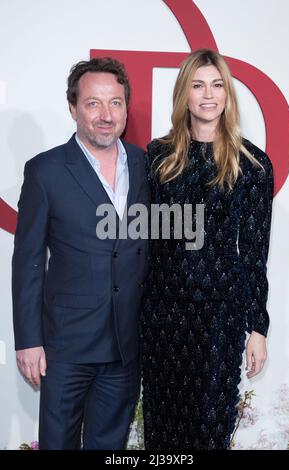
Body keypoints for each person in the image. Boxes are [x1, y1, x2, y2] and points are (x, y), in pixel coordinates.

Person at [12, 57, 149, 450]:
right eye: (93, 103)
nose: (106, 115)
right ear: (73, 108)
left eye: (116, 103)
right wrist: (28, 340)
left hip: (125, 346)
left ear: (126, 107)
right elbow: (29, 261)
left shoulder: (146, 165)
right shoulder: (46, 170)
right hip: (64, 347)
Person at [141, 49, 274, 450]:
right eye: (198, 85)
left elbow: (254, 254)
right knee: (162, 431)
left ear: (228, 95)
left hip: (219, 313)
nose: (208, 95)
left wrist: (258, 328)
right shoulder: (158, 156)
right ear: (184, 94)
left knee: (209, 429)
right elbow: (146, 239)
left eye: (217, 85)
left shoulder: (252, 164)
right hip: (162, 312)